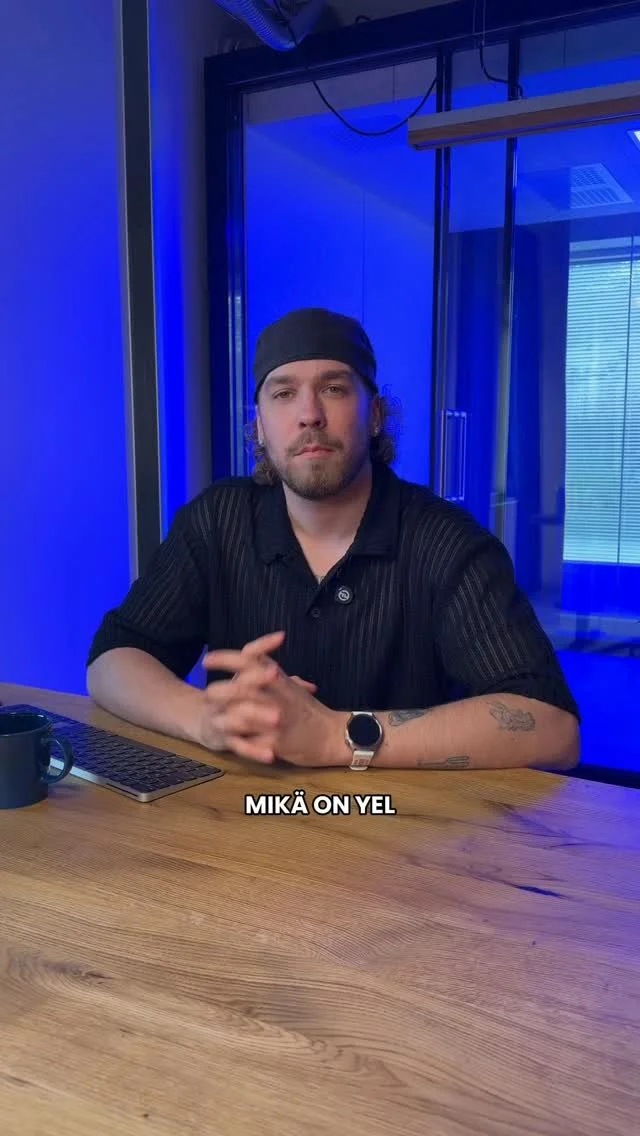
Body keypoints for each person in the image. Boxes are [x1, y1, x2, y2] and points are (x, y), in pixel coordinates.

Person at [87, 307, 580, 772]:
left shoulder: (446, 542)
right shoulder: (218, 520)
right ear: (259, 426)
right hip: (239, 815)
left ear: (375, 415)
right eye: (283, 393)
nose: (309, 414)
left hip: (400, 823)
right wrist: (201, 718)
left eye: (334, 389)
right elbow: (113, 659)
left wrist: (334, 736)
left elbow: (553, 727)